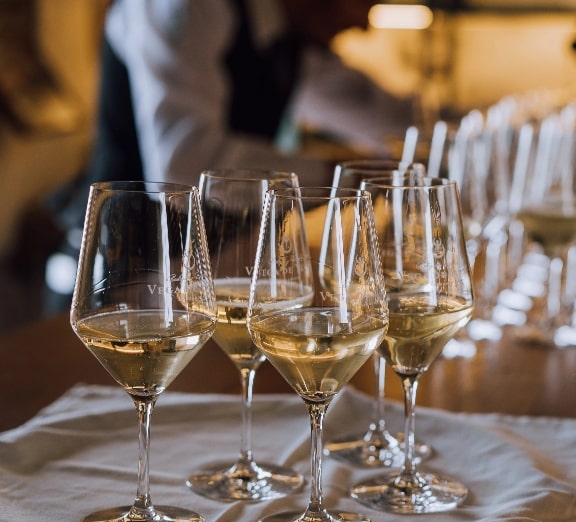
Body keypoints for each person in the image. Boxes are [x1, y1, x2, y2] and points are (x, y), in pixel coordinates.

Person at [40, 0, 416, 308]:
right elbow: (185, 164)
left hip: (205, 288)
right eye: (364, 1)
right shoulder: (186, 6)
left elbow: (387, 117)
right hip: (116, 292)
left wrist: (432, 144)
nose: (364, 23)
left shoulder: (282, 38)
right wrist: (342, 179)